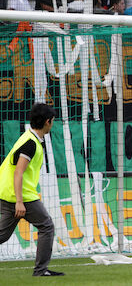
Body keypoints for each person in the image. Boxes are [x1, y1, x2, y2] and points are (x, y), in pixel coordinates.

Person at [0, 103, 64, 277]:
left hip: (8, 192)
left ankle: (41, 270)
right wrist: (19, 201)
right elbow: (19, 172)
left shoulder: (29, 137)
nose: (53, 124)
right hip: (19, 196)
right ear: (47, 122)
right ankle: (41, 271)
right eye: (53, 121)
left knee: (2, 236)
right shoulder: (31, 143)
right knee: (47, 226)